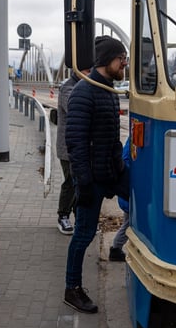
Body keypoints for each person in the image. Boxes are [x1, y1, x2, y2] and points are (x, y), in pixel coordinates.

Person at [63, 36, 127, 313]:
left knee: (142, 199)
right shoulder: (84, 92)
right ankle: (72, 289)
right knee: (84, 234)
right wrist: (84, 184)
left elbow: (112, 137)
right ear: (107, 60)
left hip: (110, 173)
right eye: (121, 58)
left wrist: (120, 169)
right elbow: (76, 143)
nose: (125, 63)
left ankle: (122, 249)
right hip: (91, 179)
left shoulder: (108, 90)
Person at [55, 68, 88, 235]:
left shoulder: (86, 85)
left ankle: (80, 218)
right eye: (87, 71)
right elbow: (75, 109)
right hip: (67, 147)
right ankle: (63, 216)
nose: (90, 74)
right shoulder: (68, 88)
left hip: (82, 146)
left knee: (81, 182)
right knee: (70, 181)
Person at [109, 138, 131, 262]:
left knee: (128, 222)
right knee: (129, 224)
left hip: (128, 192)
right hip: (129, 191)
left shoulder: (132, 140)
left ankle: (116, 247)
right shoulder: (133, 141)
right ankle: (116, 248)